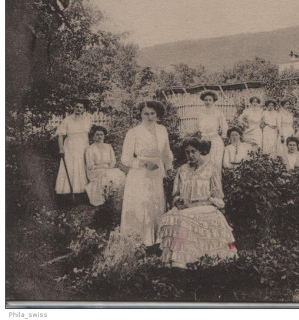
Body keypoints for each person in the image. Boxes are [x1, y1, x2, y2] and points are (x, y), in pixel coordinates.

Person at [159, 139, 237, 268]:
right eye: (187, 152)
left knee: (185, 219)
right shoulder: (182, 170)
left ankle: (203, 258)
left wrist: (198, 203)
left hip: (206, 206)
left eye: (193, 152)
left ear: (200, 151)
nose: (190, 155)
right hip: (185, 207)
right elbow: (175, 193)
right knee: (171, 218)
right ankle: (177, 259)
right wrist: (178, 201)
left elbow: (218, 197)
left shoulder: (211, 169)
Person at [121, 101, 174, 246]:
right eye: (146, 113)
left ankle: (156, 240)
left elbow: (166, 152)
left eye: (152, 114)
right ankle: (138, 241)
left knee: (156, 204)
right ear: (140, 114)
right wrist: (144, 164)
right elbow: (125, 159)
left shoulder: (162, 130)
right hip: (140, 175)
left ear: (157, 115)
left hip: (157, 173)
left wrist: (169, 167)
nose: (149, 117)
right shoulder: (134, 132)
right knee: (142, 204)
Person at [55, 98, 92, 197]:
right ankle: (67, 192)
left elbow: (87, 136)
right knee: (70, 166)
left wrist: (89, 149)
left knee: (82, 166)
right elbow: (60, 135)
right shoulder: (67, 120)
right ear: (73, 107)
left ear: (84, 109)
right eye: (77, 107)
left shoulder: (87, 120)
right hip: (70, 147)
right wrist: (61, 148)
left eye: (81, 107)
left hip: (83, 146)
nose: (79, 109)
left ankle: (82, 191)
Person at [84, 125, 126, 207]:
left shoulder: (108, 147)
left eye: (101, 135)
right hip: (95, 171)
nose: (99, 137)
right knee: (106, 174)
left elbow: (113, 161)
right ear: (93, 136)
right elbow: (90, 165)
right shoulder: (90, 149)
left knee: (119, 173)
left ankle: (115, 196)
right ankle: (105, 197)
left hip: (108, 169)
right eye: (97, 135)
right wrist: (103, 168)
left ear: (104, 136)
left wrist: (109, 167)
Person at [196, 91, 228, 171]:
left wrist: (223, 136)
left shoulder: (218, 113)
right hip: (204, 142)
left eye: (210, 100)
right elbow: (198, 128)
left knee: (215, 165)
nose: (208, 102)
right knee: (204, 165)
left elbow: (224, 126)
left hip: (215, 141)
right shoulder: (201, 113)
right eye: (206, 100)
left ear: (213, 101)